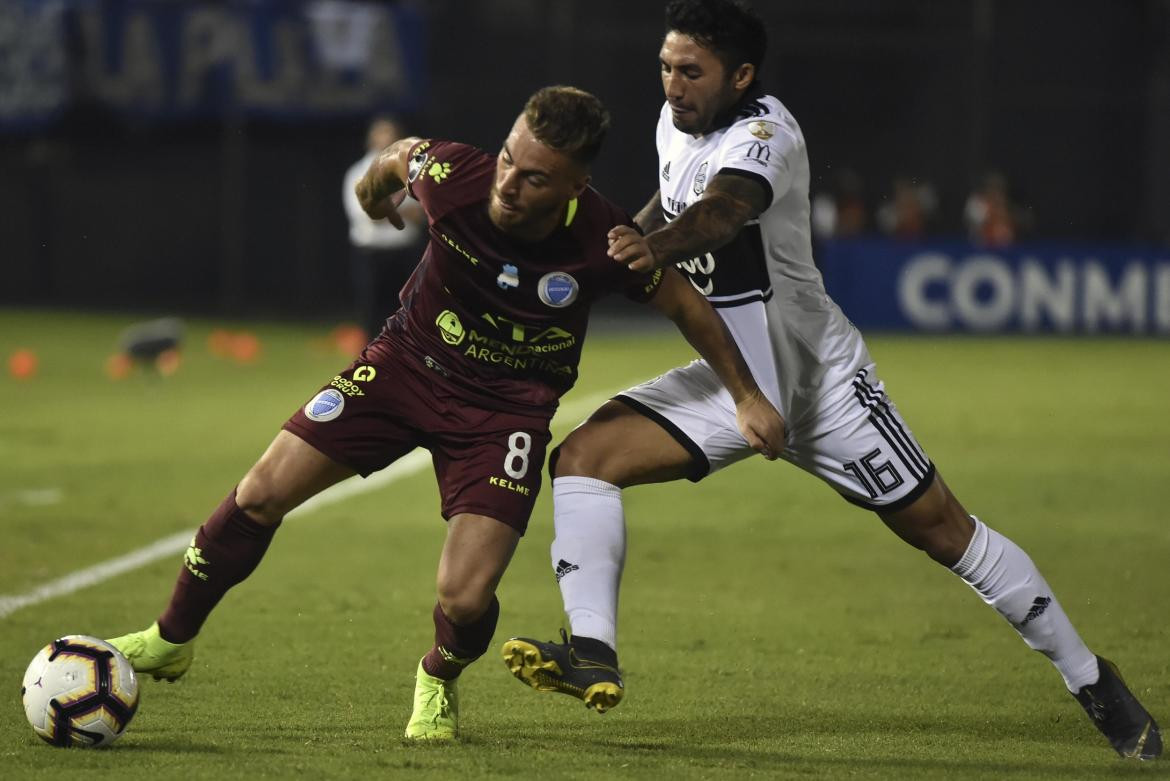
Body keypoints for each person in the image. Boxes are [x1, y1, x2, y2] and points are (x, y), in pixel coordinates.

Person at [501, 0, 1162, 761]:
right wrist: (635, 235)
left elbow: (720, 212)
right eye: (665, 67)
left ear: (741, 75)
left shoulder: (766, 136)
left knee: (945, 531)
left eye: (691, 71)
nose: (673, 85)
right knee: (583, 458)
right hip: (732, 375)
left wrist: (653, 248)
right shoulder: (671, 121)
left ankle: (1092, 680)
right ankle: (591, 650)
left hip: (821, 385)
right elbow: (675, 200)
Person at [105, 85, 784, 741]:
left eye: (535, 177)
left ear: (575, 188)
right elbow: (396, 156)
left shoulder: (605, 240)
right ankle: (171, 638)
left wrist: (749, 397)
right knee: (259, 492)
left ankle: (439, 672)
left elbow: (687, 306)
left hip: (504, 414)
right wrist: (376, 199)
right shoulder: (456, 173)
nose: (509, 183)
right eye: (510, 156)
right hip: (402, 368)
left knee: (462, 598)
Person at [343, 116, 426, 338]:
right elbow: (370, 216)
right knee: (372, 313)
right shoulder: (358, 173)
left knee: (407, 313)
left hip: (405, 252)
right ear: (371, 139)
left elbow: (421, 214)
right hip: (372, 254)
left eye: (390, 134)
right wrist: (399, 212)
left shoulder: (413, 172)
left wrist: (386, 209)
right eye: (381, 134)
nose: (386, 139)